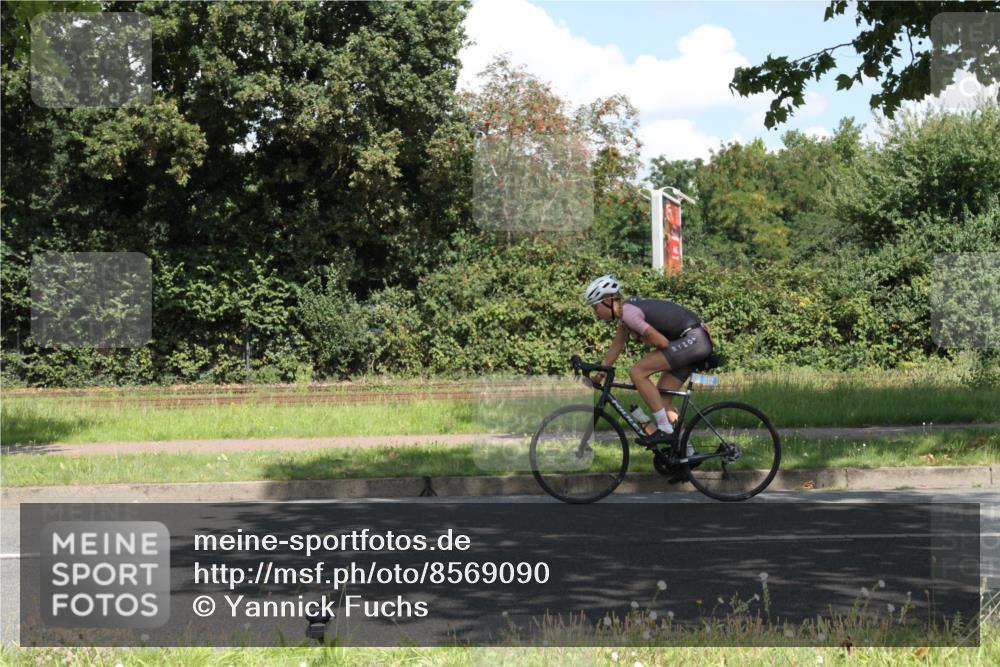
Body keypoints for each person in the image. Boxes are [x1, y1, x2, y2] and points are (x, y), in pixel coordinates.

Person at [583, 274, 714, 449]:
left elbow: (662, 343)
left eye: (595, 307)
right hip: (695, 341)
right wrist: (599, 375)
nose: (595, 312)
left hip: (693, 340)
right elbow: (617, 346)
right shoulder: (625, 316)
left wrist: (642, 338)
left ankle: (665, 430)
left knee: (637, 372)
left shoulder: (629, 314)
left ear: (608, 300)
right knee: (662, 399)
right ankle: (686, 451)